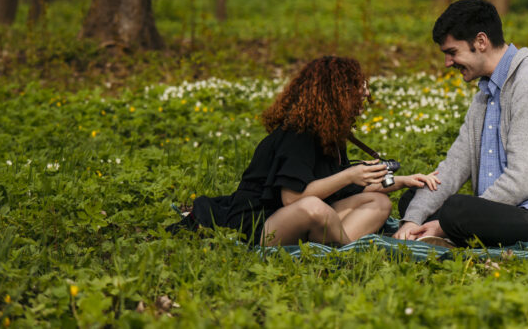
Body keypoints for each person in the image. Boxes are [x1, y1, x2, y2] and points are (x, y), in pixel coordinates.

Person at [169, 56, 439, 246]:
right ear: (336, 95)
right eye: (356, 90)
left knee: (379, 203)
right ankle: (347, 246)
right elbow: (292, 199)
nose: (363, 97)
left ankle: (333, 243)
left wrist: (402, 181)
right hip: (260, 224)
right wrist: (349, 175)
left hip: (297, 219)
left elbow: (341, 190)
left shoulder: (331, 135)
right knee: (313, 208)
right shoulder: (298, 134)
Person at [393, 0, 528, 249]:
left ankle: (448, 232)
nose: (448, 63)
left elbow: (521, 180)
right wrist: (411, 220)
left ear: (481, 42)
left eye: (452, 52)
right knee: (412, 201)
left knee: (456, 210)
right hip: (494, 213)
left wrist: (445, 222)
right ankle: (446, 232)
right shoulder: (484, 95)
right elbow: (453, 167)